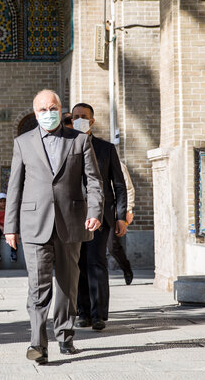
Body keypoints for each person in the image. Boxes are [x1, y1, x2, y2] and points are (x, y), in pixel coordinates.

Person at [5, 89, 104, 364]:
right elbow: (14, 188)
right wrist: (9, 226)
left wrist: (95, 211)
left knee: (67, 284)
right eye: (41, 110)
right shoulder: (23, 143)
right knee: (38, 287)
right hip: (35, 223)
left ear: (61, 110)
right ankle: (37, 343)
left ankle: (64, 334)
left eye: (52, 109)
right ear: (35, 113)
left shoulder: (80, 140)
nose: (47, 114)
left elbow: (94, 181)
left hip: (71, 221)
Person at [72, 103, 127, 331]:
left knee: (96, 263)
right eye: (75, 116)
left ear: (92, 121)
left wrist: (121, 216)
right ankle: (82, 312)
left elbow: (119, 185)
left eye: (83, 116)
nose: (79, 120)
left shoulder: (106, 148)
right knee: (77, 265)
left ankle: (98, 314)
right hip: (73, 217)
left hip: (101, 216)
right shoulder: (64, 146)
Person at [109, 162, 135, 285]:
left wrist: (129, 209)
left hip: (113, 212)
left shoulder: (118, 165)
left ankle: (126, 269)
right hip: (92, 212)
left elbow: (128, 188)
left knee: (113, 246)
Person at [0, 192, 16, 262]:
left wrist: (6, 228)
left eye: (4, 201)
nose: (3, 203)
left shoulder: (9, 212)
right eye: (1, 201)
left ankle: (13, 252)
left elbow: (11, 220)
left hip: (8, 227)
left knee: (13, 233)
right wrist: (1, 228)